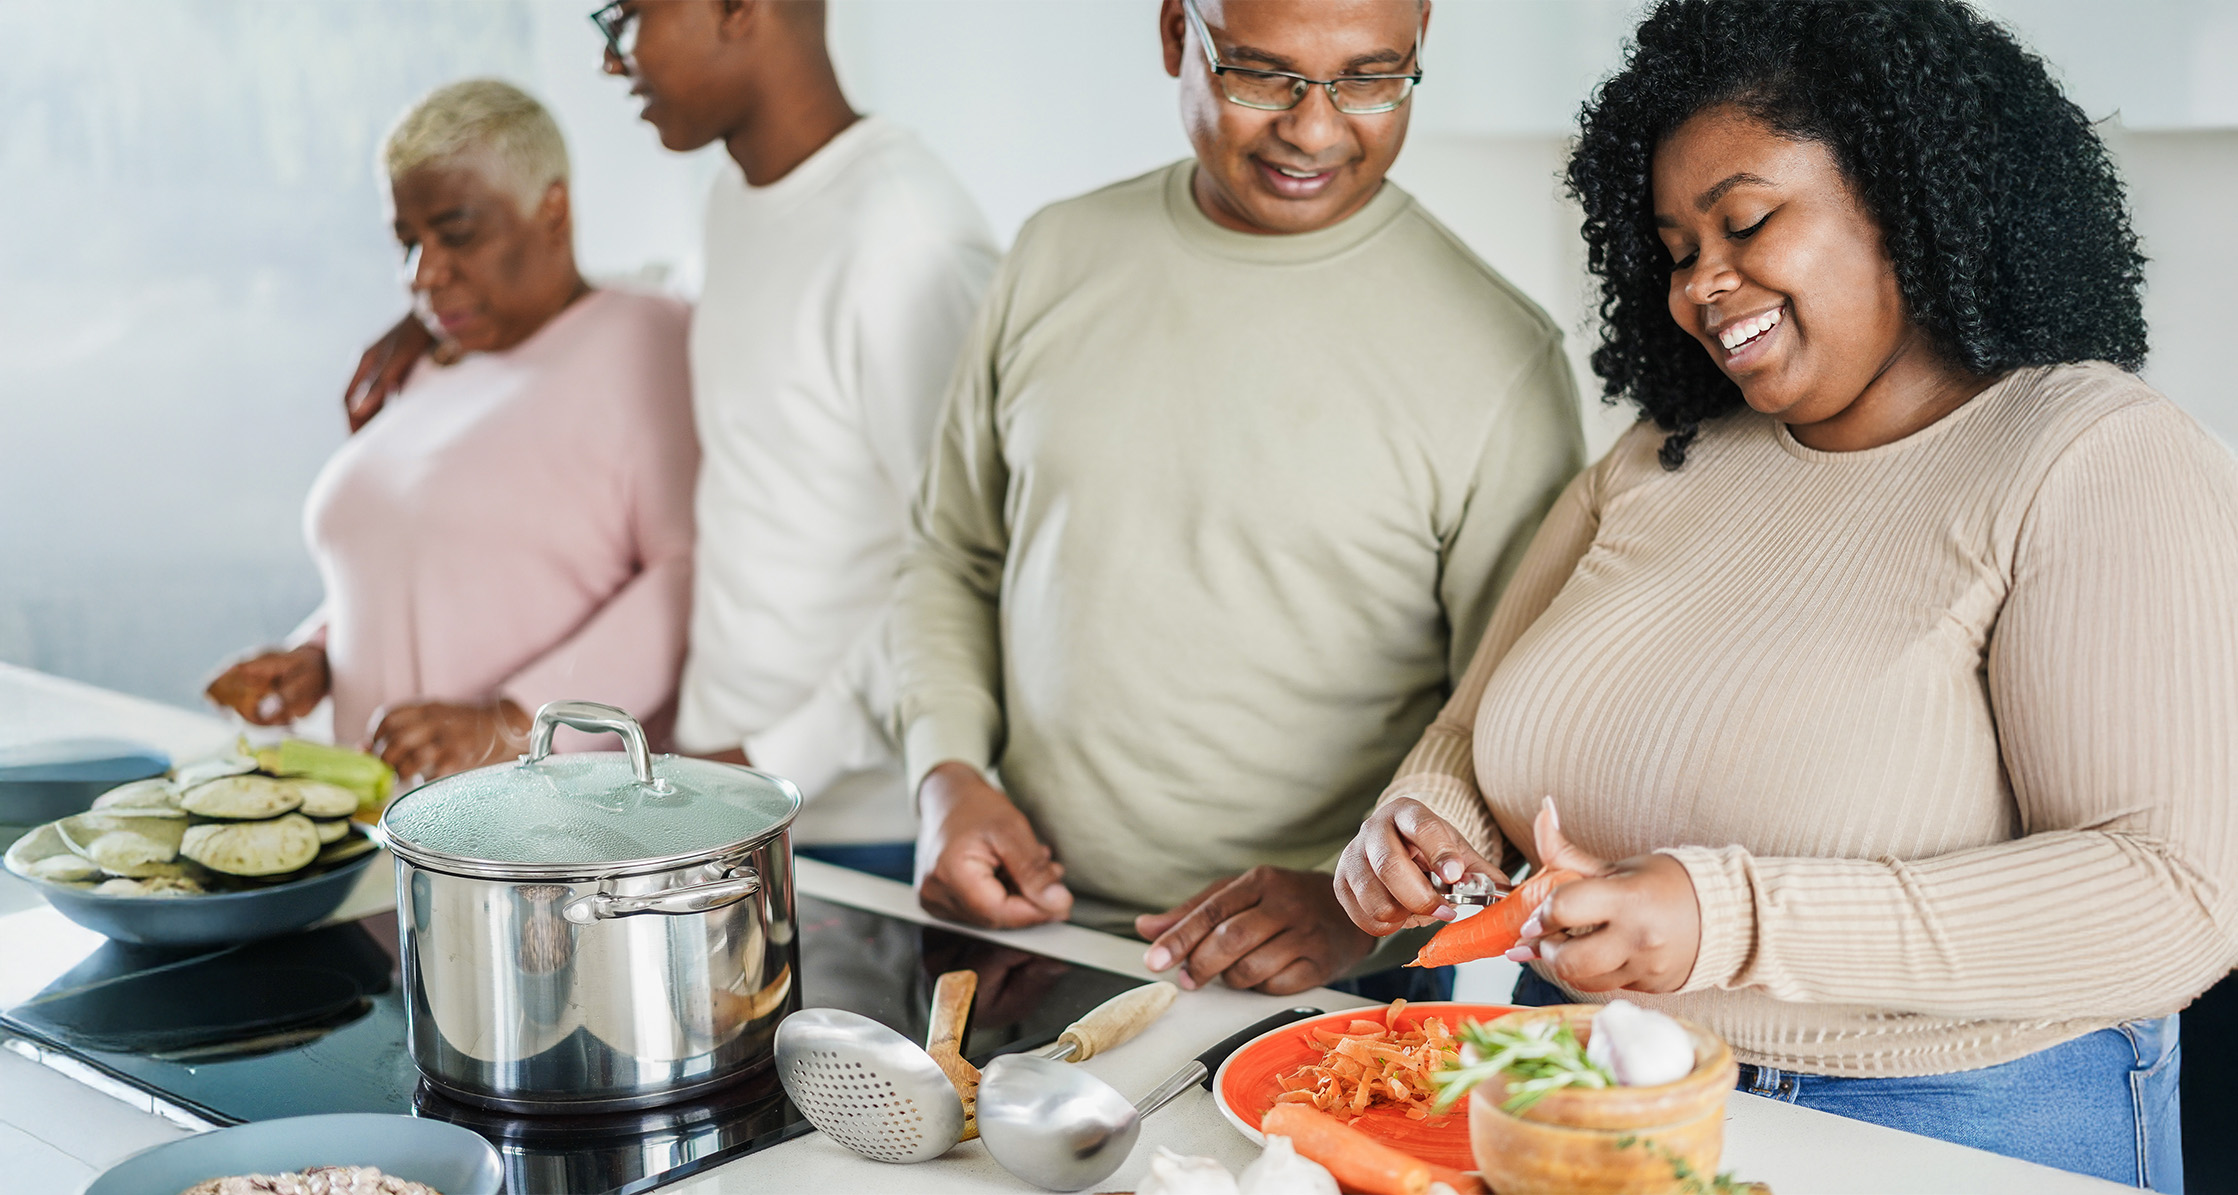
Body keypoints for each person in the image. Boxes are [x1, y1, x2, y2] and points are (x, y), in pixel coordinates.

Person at [1334, 1, 2237, 1187]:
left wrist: (1730, 916)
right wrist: (1427, 816)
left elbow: (2171, 898)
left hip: (1940, 1124)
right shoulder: (1664, 452)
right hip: (1598, 1088)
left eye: (1746, 222)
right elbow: (1470, 724)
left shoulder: (2090, 454)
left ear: (1908, 197)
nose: (1701, 286)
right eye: (1674, 251)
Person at [897, 0, 1584, 999]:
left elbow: (1513, 726)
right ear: (1177, 32)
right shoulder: (1052, 257)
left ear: (1422, 41)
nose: (1313, 128)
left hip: (1325, 982)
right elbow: (953, 553)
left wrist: (1355, 906)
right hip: (1033, 935)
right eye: (1262, 74)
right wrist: (946, 773)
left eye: (1369, 78)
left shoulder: (1500, 361)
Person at [343, 1, 999, 879]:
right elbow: (697, 324)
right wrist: (452, 316)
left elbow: (967, 571)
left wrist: (767, 756)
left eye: (628, 18)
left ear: (738, 9)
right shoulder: (741, 199)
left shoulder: (907, 241)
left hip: (850, 824)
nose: (615, 64)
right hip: (730, 796)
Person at [207, 80, 696, 782]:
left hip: (543, 842)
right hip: (388, 830)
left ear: (551, 208)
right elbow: (432, 566)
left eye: (456, 234)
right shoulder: (426, 364)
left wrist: (513, 723)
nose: (423, 274)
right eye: (406, 242)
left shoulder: (645, 337)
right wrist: (319, 655)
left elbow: (685, 576)